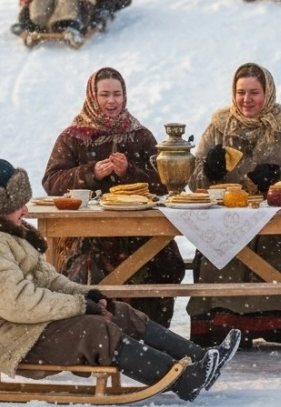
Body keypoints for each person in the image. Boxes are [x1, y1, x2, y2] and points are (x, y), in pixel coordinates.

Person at [0, 159, 241, 402]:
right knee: (94, 330)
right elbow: (19, 303)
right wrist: (79, 306)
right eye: (18, 204)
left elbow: (48, 280)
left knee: (118, 311)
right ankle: (184, 381)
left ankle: (199, 358)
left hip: (17, 324)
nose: (26, 209)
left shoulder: (5, 234)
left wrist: (89, 295)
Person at [188, 62, 281, 351]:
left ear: (268, 93)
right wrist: (209, 169)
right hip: (226, 224)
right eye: (241, 92)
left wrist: (278, 176)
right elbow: (194, 182)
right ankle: (220, 327)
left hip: (278, 224)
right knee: (217, 258)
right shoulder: (217, 129)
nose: (246, 100)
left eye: (254, 93)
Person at [42, 67, 185, 327]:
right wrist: (91, 172)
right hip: (86, 230)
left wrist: (129, 172)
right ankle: (92, 329)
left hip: (140, 229)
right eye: (104, 94)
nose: (111, 101)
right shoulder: (73, 137)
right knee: (89, 262)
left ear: (125, 96)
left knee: (164, 260)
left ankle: (147, 328)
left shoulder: (140, 136)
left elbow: (164, 183)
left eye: (117, 94)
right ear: (92, 97)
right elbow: (51, 182)